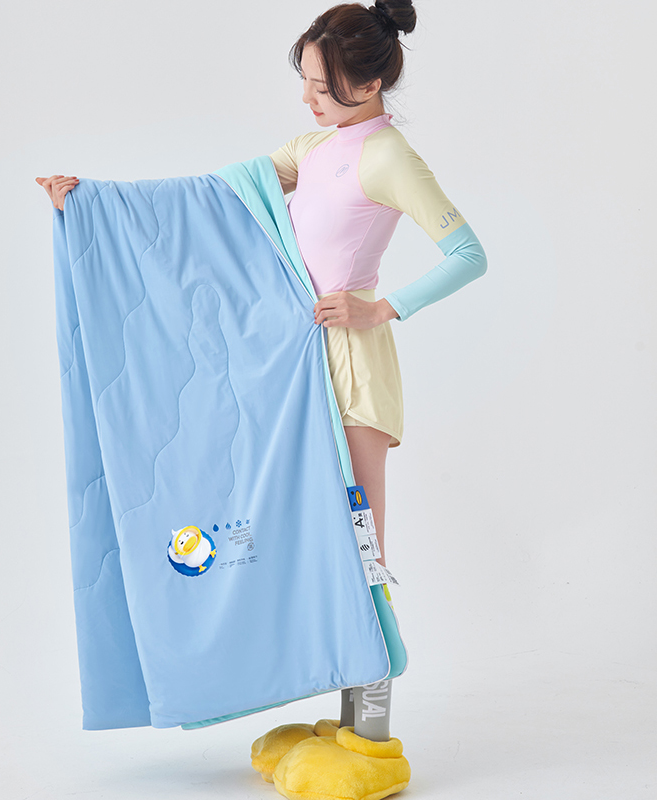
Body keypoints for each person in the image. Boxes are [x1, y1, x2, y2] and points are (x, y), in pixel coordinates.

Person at [38, 1, 486, 793]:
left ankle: (372, 740)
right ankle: (343, 723)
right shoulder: (313, 148)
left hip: (351, 371)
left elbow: (467, 252)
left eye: (323, 84)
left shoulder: (388, 158)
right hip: (298, 365)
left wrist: (383, 307)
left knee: (358, 549)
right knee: (319, 546)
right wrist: (96, 200)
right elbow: (211, 198)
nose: (308, 98)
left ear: (370, 82)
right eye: (304, 80)